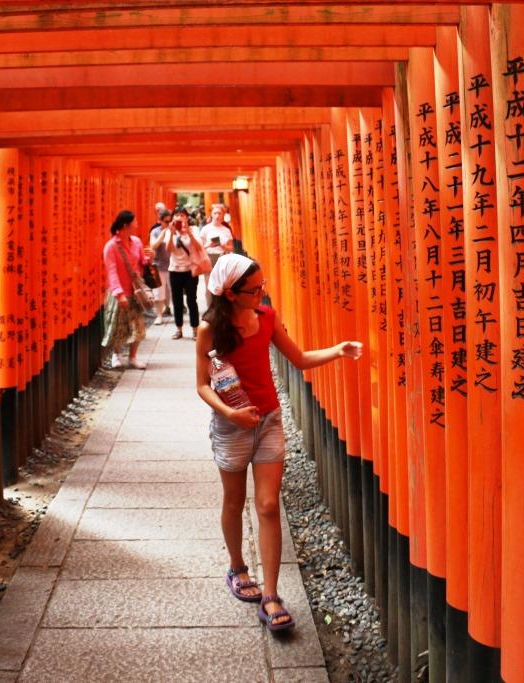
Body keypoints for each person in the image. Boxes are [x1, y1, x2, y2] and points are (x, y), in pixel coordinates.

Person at [195, 254, 362, 633]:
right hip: (231, 425)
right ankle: (237, 567)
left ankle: (271, 594)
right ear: (232, 293)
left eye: (262, 286)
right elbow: (202, 384)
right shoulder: (210, 331)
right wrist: (230, 413)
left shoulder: (267, 318)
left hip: (268, 420)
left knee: (269, 505)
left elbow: (299, 358)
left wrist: (337, 350)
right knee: (234, 500)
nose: (261, 293)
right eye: (254, 289)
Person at [101, 209, 154, 369]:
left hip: (135, 292)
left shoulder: (136, 242)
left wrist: (149, 257)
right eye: (135, 222)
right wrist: (119, 294)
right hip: (120, 292)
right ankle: (116, 355)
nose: (137, 225)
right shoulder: (111, 246)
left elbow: (141, 263)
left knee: (137, 325)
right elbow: (111, 271)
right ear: (126, 225)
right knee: (118, 326)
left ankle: (133, 356)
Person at [164, 208, 202, 340]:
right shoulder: (170, 231)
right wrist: (172, 233)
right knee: (177, 300)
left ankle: (195, 330)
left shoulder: (194, 229)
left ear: (187, 218)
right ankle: (178, 329)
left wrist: (189, 233)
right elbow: (168, 250)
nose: (179, 218)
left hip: (190, 270)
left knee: (192, 300)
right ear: (173, 218)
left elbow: (198, 247)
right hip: (175, 270)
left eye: (182, 215)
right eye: (177, 215)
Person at [148, 209, 173, 324]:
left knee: (170, 291)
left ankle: (168, 308)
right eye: (166, 221)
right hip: (159, 265)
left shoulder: (175, 230)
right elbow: (153, 246)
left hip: (173, 266)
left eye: (170, 221)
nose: (169, 224)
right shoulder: (155, 232)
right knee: (159, 292)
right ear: (160, 221)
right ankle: (159, 315)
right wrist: (163, 234)